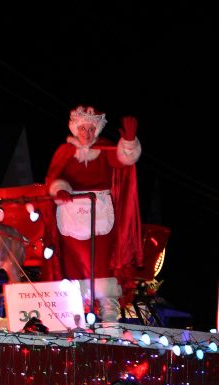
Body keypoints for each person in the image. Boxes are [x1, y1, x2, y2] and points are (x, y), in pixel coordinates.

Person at [45, 105, 143, 322]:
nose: (87, 133)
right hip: (71, 214)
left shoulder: (105, 148)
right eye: (83, 128)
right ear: (75, 128)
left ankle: (110, 317)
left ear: (96, 130)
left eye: (91, 129)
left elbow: (122, 161)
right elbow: (53, 177)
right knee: (74, 267)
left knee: (102, 265)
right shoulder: (64, 151)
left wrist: (128, 142)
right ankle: (75, 318)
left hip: (100, 214)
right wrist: (60, 189)